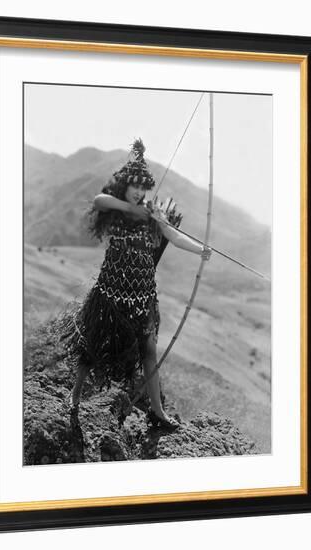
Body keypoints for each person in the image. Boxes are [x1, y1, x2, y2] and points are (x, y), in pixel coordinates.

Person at [62, 139, 211, 430]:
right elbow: (98, 200)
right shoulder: (116, 208)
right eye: (135, 186)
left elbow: (174, 236)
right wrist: (130, 210)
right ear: (124, 185)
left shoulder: (152, 212)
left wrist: (200, 249)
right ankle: (75, 395)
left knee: (149, 351)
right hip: (110, 294)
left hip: (142, 295)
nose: (140, 192)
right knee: (91, 346)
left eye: (144, 188)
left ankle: (157, 412)